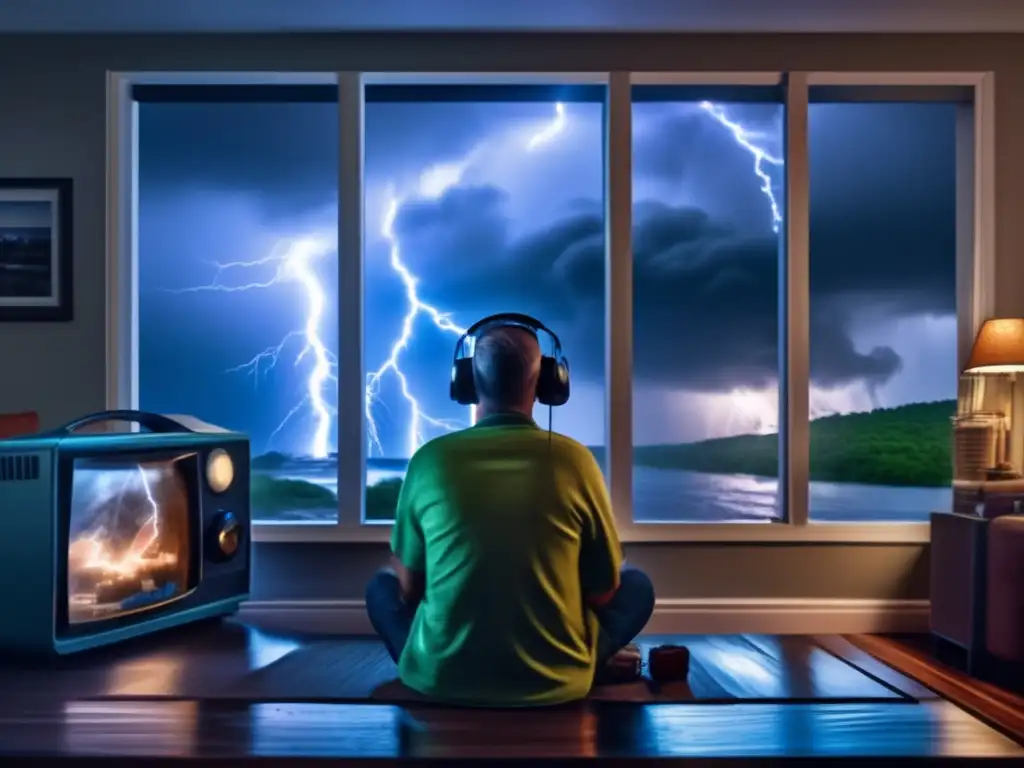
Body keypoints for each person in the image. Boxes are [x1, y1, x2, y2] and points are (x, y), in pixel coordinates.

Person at [365, 319, 655, 707]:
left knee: (381, 587)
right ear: (549, 382)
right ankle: (592, 662)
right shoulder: (576, 461)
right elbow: (605, 595)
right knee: (636, 585)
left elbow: (409, 590)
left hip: (442, 681)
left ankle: (430, 664)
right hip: (556, 678)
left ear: (465, 382)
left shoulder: (428, 461)